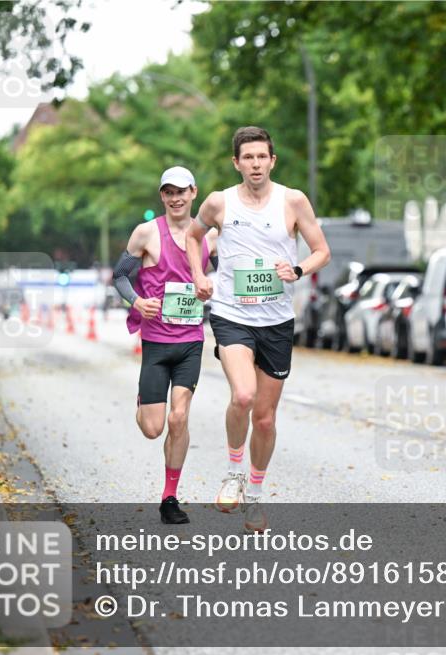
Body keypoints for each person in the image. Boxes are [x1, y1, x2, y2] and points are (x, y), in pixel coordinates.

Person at [186, 126, 329, 533]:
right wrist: (199, 275)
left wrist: (298, 269)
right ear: (236, 163)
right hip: (232, 313)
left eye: (261, 157)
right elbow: (193, 239)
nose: (255, 164)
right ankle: (233, 471)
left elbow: (322, 250)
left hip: (277, 320)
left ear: (272, 160)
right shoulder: (219, 203)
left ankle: (255, 496)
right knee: (243, 394)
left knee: (265, 419)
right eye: (247, 158)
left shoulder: (293, 200)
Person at [113, 166, 217, 524]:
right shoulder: (146, 233)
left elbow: (224, 275)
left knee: (179, 417)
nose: (176, 198)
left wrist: (212, 286)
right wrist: (137, 302)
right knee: (152, 427)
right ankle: (144, 400)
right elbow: (120, 275)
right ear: (162, 196)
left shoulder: (209, 236)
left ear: (194, 193)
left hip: (190, 341)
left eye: (182, 192)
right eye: (169, 192)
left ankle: (170, 497)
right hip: (156, 342)